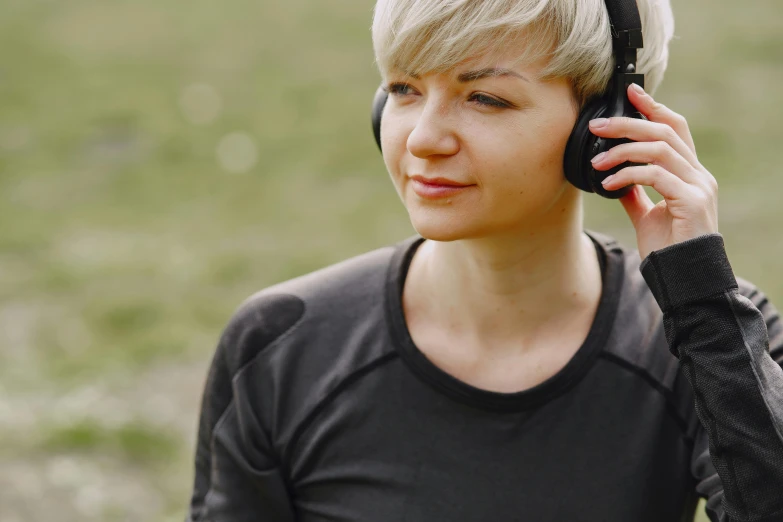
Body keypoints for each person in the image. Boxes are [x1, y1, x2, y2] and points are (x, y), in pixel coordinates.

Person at [185, 0, 783, 520]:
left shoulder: (719, 337)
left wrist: (699, 296)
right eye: (403, 88)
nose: (423, 137)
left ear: (604, 127)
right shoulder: (277, 347)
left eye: (485, 98)